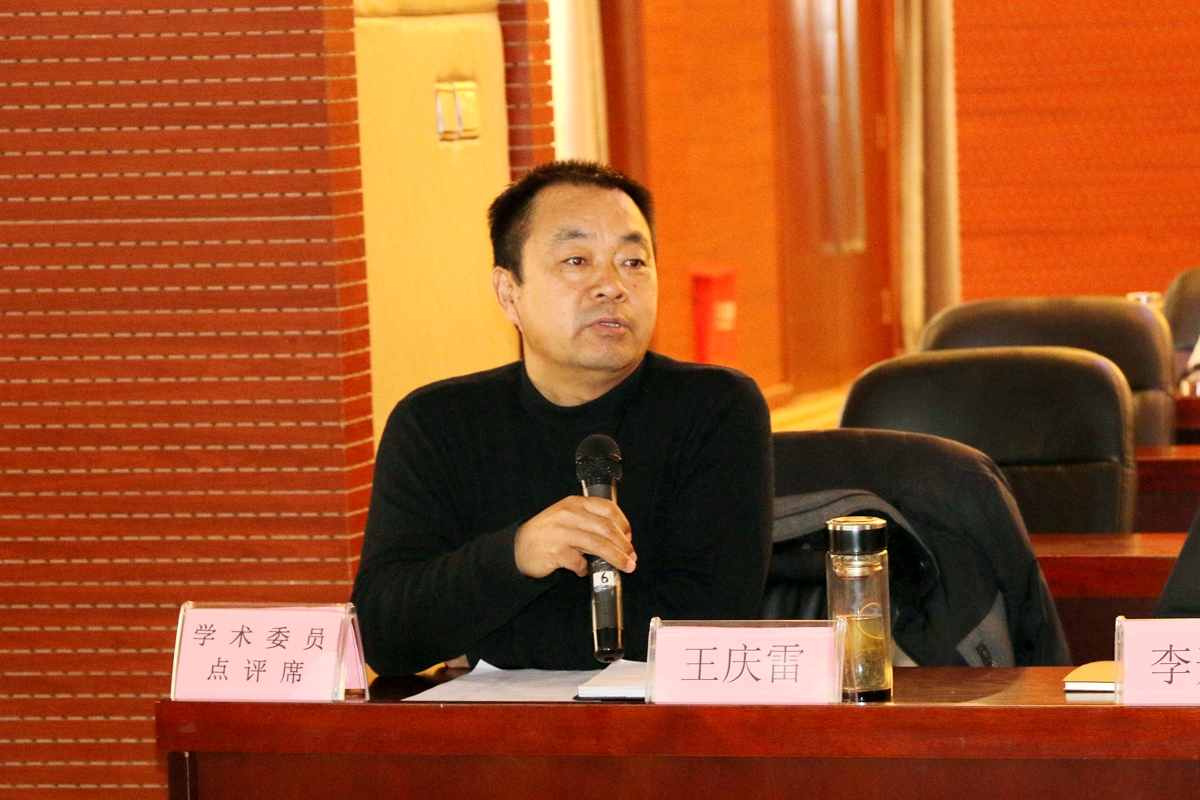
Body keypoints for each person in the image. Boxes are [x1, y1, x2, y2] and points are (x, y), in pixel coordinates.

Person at [351, 161, 772, 676]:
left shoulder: (714, 408)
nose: (612, 286)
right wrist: (516, 554)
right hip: (489, 723)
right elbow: (384, 634)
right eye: (576, 260)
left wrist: (482, 645)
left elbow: (708, 628)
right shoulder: (436, 423)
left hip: (663, 723)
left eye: (634, 262)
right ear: (509, 293)